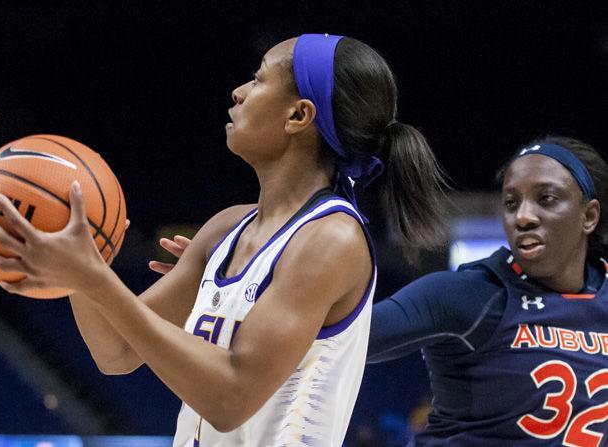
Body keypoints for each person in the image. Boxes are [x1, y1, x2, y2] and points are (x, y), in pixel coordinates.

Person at [0, 34, 447, 445]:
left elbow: (230, 397)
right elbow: (115, 353)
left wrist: (96, 279)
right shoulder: (227, 228)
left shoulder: (331, 241)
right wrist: (77, 268)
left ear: (299, 115)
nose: (239, 92)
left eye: (259, 80)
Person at [159, 136, 608, 446]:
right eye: (512, 202)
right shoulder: (470, 294)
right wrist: (230, 289)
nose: (523, 216)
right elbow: (332, 336)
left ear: (589, 216)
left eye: (545, 199)